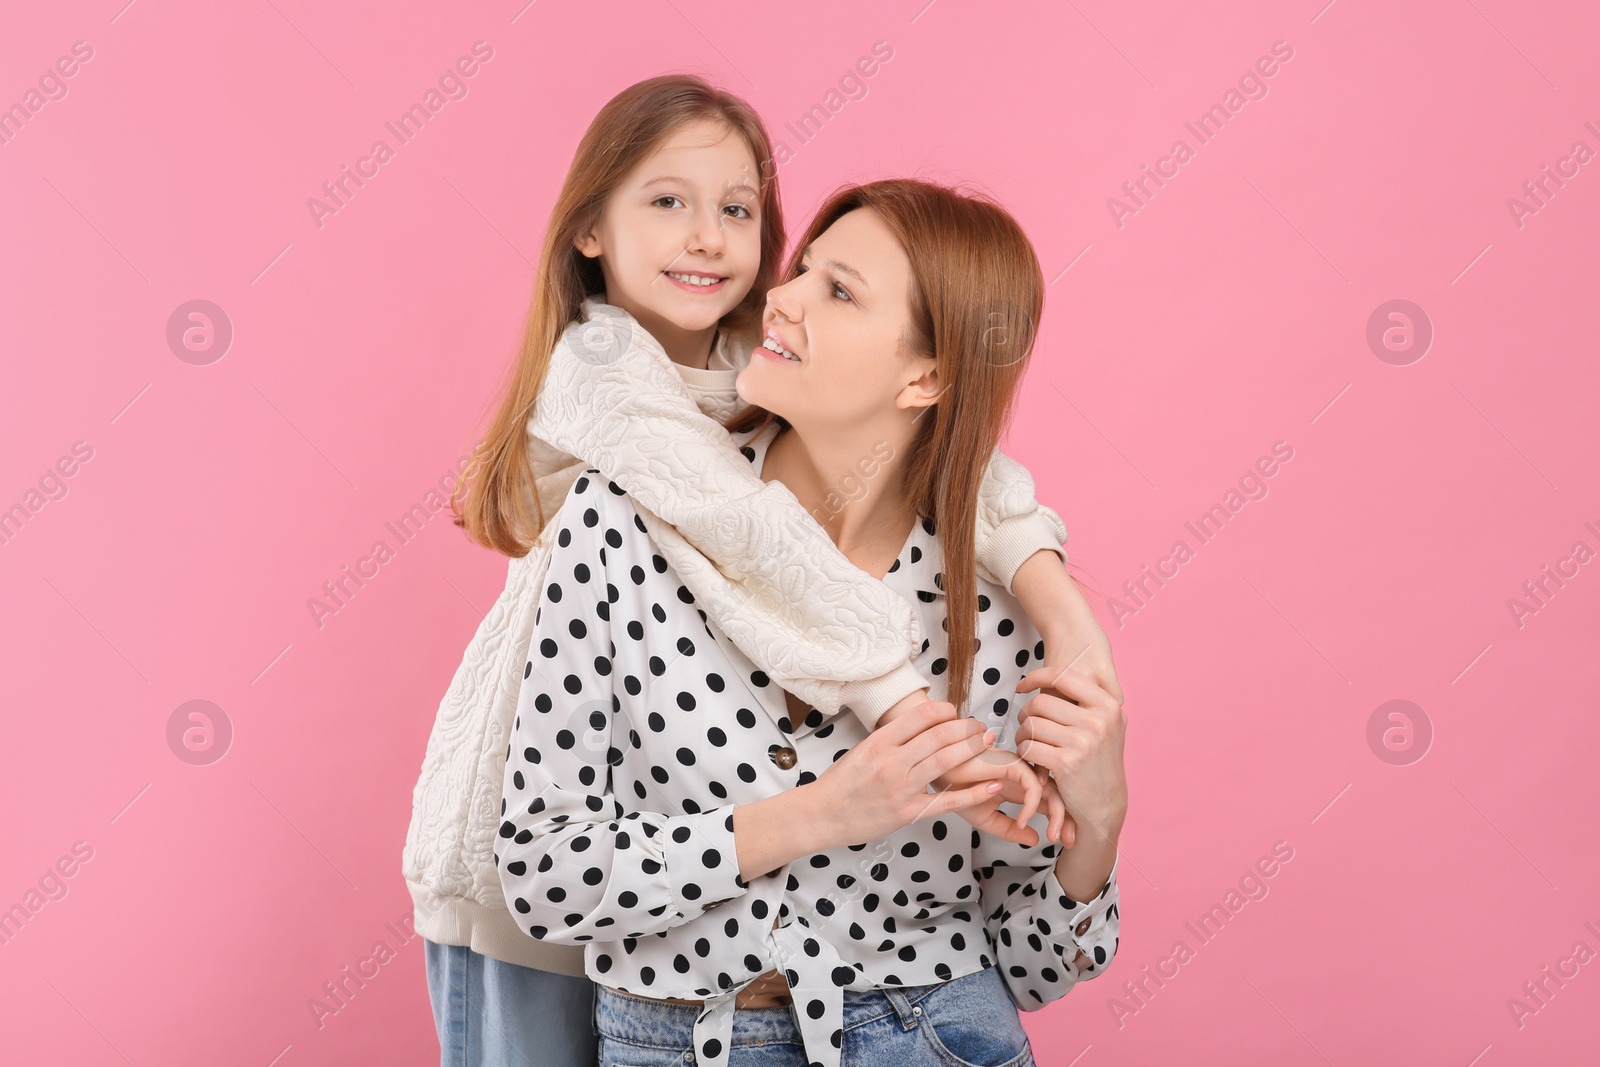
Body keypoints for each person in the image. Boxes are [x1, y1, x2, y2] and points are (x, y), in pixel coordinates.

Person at [405, 75, 1122, 1066]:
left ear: (922, 375)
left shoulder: (989, 598)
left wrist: (1099, 810)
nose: (767, 287)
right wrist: (865, 776)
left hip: (932, 1033)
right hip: (624, 982)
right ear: (591, 232)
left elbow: (1034, 963)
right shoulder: (627, 483)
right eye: (803, 271)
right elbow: (545, 868)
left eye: (831, 287)